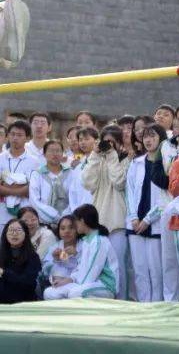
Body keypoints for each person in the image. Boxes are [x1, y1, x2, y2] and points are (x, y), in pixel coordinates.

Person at [80, 123, 129, 299]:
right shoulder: (97, 160)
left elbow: (119, 182)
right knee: (98, 266)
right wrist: (94, 154)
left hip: (117, 222)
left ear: (119, 144)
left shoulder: (125, 160)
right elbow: (87, 183)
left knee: (119, 267)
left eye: (112, 142)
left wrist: (111, 156)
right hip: (99, 221)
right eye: (105, 142)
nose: (108, 145)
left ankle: (122, 300)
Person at [124, 125, 169, 303]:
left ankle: (157, 305)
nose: (148, 140)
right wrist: (134, 217)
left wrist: (148, 219)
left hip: (155, 224)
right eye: (145, 136)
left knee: (156, 271)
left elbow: (167, 196)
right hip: (134, 224)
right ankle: (143, 306)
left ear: (161, 138)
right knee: (140, 270)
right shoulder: (136, 163)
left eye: (153, 136)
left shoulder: (166, 162)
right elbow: (129, 191)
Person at [43, 204, 119, 300]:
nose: (74, 227)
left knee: (75, 293)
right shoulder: (87, 241)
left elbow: (92, 271)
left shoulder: (99, 241)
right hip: (85, 284)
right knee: (49, 292)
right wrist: (69, 280)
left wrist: (74, 285)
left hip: (104, 286)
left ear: (82, 221)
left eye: (75, 224)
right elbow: (81, 267)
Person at [0, 120, 41, 230]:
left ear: (27, 138)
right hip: (0, 213)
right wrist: (20, 189)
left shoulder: (34, 161)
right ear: (7, 136)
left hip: (24, 212)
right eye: (12, 134)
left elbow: (32, 188)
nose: (15, 138)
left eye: (19, 135)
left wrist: (4, 185)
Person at [28, 140, 70, 227]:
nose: (55, 154)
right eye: (51, 151)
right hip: (44, 222)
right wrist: (54, 216)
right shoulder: (37, 174)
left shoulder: (70, 173)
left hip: (68, 222)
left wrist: (64, 217)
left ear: (63, 154)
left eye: (58, 151)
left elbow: (74, 199)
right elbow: (34, 200)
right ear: (44, 154)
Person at [45, 215, 81, 293]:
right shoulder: (54, 247)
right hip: (56, 285)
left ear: (78, 229)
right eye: (62, 228)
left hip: (77, 285)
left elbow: (87, 267)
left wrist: (77, 255)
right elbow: (45, 270)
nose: (67, 231)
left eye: (71, 228)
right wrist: (55, 260)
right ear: (58, 231)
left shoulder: (84, 245)